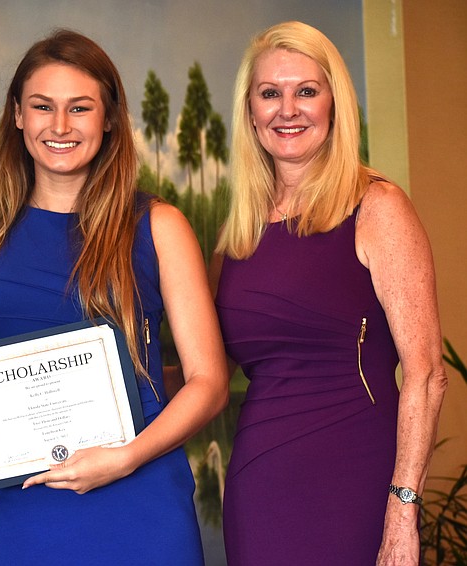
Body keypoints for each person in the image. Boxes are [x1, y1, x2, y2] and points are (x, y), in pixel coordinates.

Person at [0, 29, 229, 565]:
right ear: (16, 114)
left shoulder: (158, 226)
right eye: (42, 106)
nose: (59, 126)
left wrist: (124, 460)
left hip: (141, 498)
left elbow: (211, 384)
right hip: (28, 504)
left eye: (79, 107)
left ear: (108, 118)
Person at [210, 21, 447, 565]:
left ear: (335, 105)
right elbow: (210, 373)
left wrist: (403, 510)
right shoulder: (237, 236)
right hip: (259, 480)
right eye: (270, 93)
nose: (286, 109)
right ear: (250, 111)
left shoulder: (378, 207)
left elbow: (428, 373)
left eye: (306, 91)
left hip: (354, 474)